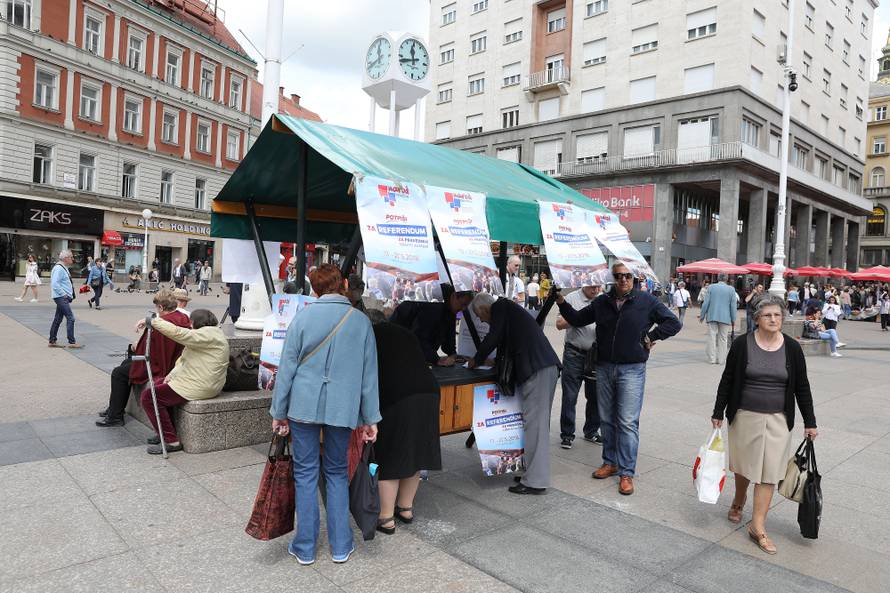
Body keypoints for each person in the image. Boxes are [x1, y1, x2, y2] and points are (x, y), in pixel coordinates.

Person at [270, 264, 381, 565]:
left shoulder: (302, 317)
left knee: (305, 473)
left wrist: (279, 412)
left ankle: (305, 547)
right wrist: (370, 418)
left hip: (302, 406)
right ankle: (341, 545)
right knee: (336, 472)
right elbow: (369, 376)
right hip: (342, 408)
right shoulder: (361, 322)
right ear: (344, 284)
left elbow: (286, 370)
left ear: (314, 289)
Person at [556, 262, 681, 495]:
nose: (623, 280)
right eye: (618, 276)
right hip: (604, 367)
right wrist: (562, 302)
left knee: (627, 421)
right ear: (612, 278)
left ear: (634, 278)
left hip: (632, 369)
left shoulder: (646, 301)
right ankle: (610, 462)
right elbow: (577, 317)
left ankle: (626, 472)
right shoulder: (602, 302)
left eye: (627, 276)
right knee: (606, 418)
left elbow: (674, 323)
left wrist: (651, 336)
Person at [712, 293, 818, 555]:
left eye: (778, 315)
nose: (773, 319)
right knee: (744, 467)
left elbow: (802, 386)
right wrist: (718, 411)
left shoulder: (792, 348)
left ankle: (757, 526)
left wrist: (810, 422)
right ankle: (739, 500)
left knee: (769, 472)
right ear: (757, 318)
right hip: (745, 415)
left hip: (778, 419)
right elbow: (727, 379)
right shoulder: (742, 344)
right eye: (768, 315)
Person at [468, 293, 560, 495]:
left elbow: (493, 337)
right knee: (533, 424)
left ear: (484, 309)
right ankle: (531, 472)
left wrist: (476, 359)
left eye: (480, 316)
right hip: (541, 368)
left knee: (535, 426)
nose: (482, 321)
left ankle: (535, 481)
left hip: (538, 369)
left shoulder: (500, 306)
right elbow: (505, 342)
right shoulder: (507, 311)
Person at [367, 313, 442, 535]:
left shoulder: (370, 335)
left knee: (390, 455)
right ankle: (405, 508)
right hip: (429, 392)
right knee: (415, 452)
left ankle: (386, 517)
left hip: (398, 397)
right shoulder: (404, 333)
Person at [139, 308, 228, 454]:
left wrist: (153, 321)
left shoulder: (208, 335)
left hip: (201, 385)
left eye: (191, 323)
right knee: (159, 384)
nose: (190, 326)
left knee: (149, 397)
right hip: (201, 381)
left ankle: (171, 441)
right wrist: (171, 375)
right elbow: (184, 361)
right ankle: (163, 431)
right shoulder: (211, 334)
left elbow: (178, 333)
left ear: (195, 323)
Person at [96, 290, 189, 427]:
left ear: (161, 307)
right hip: (173, 360)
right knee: (126, 363)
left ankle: (115, 416)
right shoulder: (182, 318)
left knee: (118, 373)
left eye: (157, 308)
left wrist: (137, 346)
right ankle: (114, 408)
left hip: (160, 365)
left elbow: (149, 350)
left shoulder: (162, 323)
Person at [557, 284, 602, 449]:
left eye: (598, 287)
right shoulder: (571, 298)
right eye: (592, 287)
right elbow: (559, 324)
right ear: (585, 284)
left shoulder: (603, 300)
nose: (596, 290)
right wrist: (578, 317)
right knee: (570, 396)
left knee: (595, 396)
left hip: (596, 356)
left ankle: (591, 431)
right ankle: (567, 434)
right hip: (574, 354)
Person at [389, 287, 473, 366]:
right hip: (399, 352)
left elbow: (448, 342)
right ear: (454, 296)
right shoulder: (432, 309)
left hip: (411, 353)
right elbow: (419, 338)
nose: (463, 309)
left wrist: (454, 355)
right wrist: (436, 359)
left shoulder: (450, 312)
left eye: (466, 306)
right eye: (463, 304)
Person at [699, 274, 737, 365]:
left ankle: (712, 359)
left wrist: (702, 315)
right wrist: (733, 319)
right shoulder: (731, 289)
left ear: (718, 278)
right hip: (726, 317)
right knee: (723, 339)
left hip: (712, 316)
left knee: (711, 337)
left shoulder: (711, 287)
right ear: (727, 279)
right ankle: (721, 360)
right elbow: (733, 306)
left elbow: (706, 303)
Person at [48, 250, 82, 349]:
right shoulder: (59, 268)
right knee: (71, 318)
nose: (73, 259)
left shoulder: (63, 268)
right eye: (71, 257)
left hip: (61, 297)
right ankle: (72, 342)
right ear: (66, 258)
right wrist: (64, 295)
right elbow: (55, 284)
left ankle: (52, 341)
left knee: (58, 319)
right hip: (61, 297)